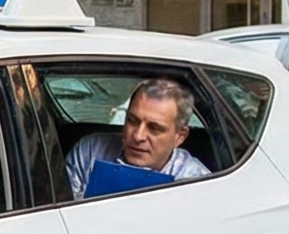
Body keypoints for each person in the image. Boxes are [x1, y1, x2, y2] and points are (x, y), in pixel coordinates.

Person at [66, 79, 213, 201]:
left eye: (154, 128)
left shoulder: (197, 183)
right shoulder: (91, 150)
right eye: (132, 121)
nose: (138, 136)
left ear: (180, 136)